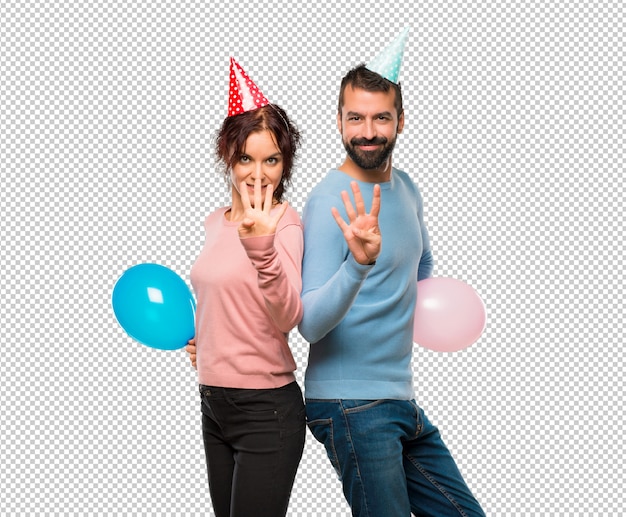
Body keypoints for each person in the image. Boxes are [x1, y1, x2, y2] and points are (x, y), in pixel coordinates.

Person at [298, 29, 486, 517]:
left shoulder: (407, 189)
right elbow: (310, 322)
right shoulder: (326, 200)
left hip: (400, 397)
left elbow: (420, 265)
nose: (368, 131)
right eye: (355, 117)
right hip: (349, 401)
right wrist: (360, 265)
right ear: (338, 121)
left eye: (381, 117)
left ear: (401, 121)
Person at [187, 57, 306, 517]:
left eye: (272, 159)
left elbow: (288, 315)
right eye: (246, 159)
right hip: (213, 402)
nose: (258, 174)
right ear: (228, 157)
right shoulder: (214, 222)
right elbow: (220, 297)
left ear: (285, 162)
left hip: (266, 410)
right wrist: (206, 339)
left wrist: (261, 248)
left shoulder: (286, 224)